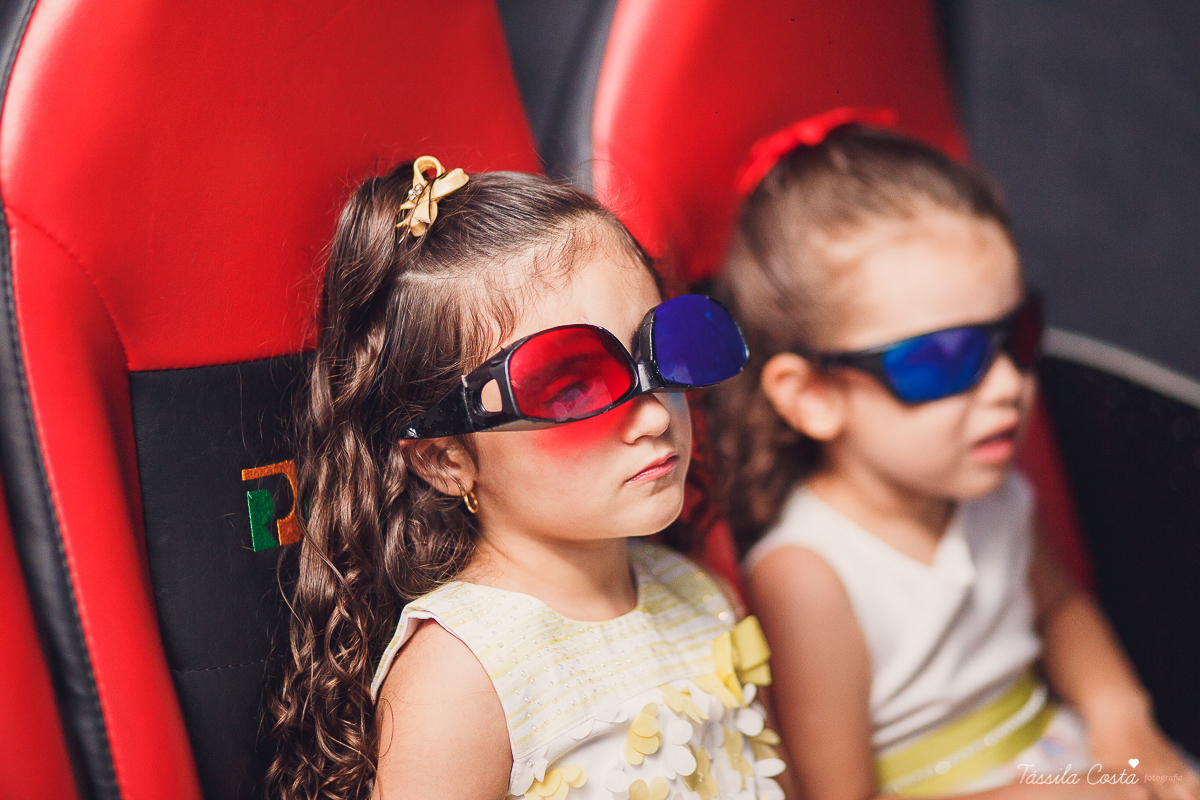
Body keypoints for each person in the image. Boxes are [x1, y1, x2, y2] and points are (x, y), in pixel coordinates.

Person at [710, 109, 1200, 800]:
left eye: (1016, 334)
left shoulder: (988, 492)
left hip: (1068, 755)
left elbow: (1060, 609)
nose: (1007, 385)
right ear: (813, 395)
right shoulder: (809, 577)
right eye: (944, 358)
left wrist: (1122, 718)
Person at [265, 156, 786, 800]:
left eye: (663, 350)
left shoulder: (704, 597)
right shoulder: (461, 677)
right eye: (572, 387)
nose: (653, 414)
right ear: (445, 457)